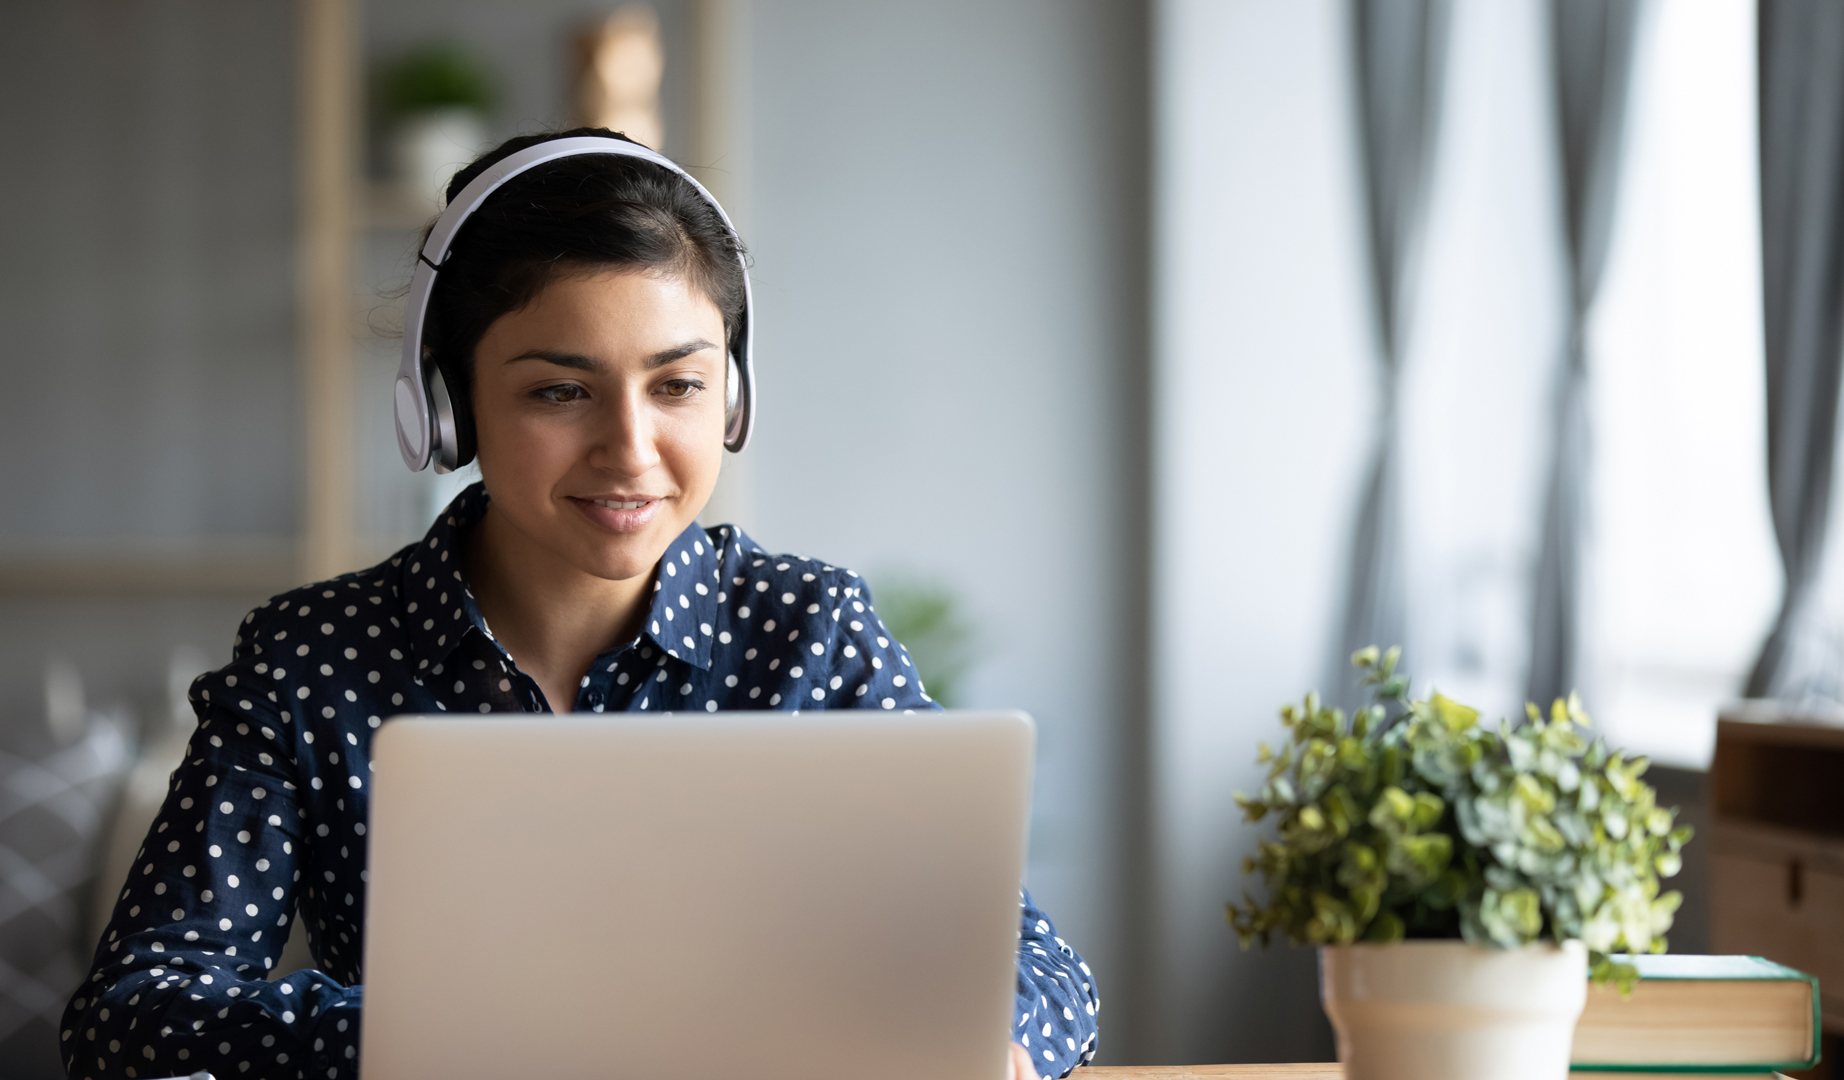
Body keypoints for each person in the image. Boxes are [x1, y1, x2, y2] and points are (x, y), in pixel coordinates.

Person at [61, 129, 1098, 1080]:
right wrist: (458, 1030)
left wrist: (992, 1044)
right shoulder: (313, 658)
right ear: (448, 406)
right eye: (561, 391)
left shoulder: (810, 631)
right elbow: (133, 1015)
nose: (631, 450)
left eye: (677, 385)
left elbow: (1042, 969)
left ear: (732, 396)